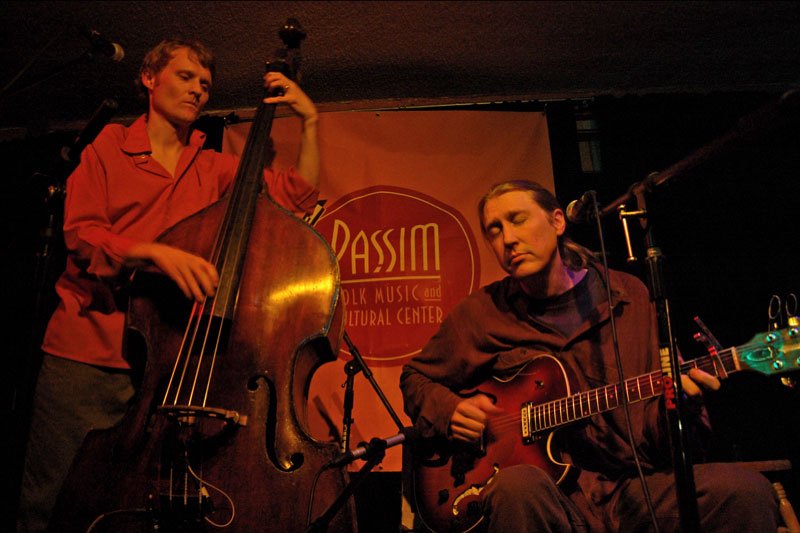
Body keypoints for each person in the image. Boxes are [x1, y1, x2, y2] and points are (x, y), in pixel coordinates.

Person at [16, 38, 321, 532]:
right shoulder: (108, 147)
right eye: (185, 77)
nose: (198, 91)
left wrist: (309, 121)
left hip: (163, 360)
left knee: (132, 500)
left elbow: (293, 198)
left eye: (205, 84)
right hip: (87, 350)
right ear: (149, 78)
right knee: (52, 499)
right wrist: (155, 251)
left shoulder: (212, 166)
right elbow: (82, 235)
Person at [400, 180, 779, 531]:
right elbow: (416, 378)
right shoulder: (482, 314)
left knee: (744, 491)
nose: (508, 239)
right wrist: (448, 410)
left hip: (633, 488)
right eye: (494, 230)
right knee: (516, 486)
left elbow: (656, 434)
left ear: (558, 221)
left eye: (517, 220)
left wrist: (680, 406)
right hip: (552, 497)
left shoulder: (628, 296)